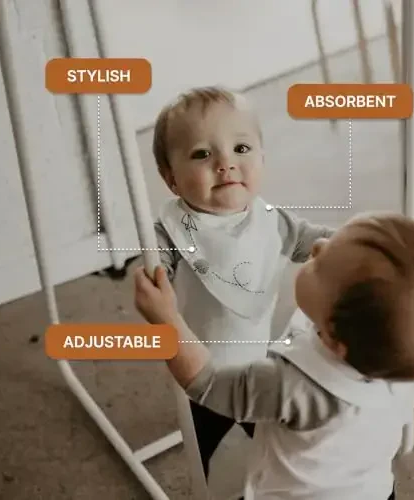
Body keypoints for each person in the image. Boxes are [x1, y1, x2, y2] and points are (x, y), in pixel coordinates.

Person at [134, 212, 414, 500]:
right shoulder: (403, 362)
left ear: (335, 335)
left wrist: (167, 320)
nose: (318, 245)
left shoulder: (292, 384)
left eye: (322, 264)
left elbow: (206, 383)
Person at [150, 86, 335, 479]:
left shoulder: (270, 220)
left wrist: (347, 243)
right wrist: (155, 279)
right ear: (171, 179)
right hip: (198, 372)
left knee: (273, 434)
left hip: (257, 363)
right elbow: (154, 266)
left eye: (241, 148)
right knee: (204, 445)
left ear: (262, 158)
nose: (225, 164)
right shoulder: (172, 231)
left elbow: (310, 240)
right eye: (202, 154)